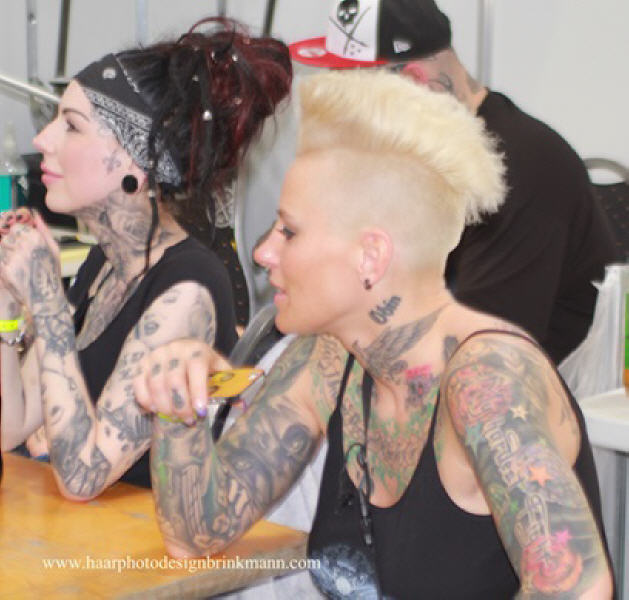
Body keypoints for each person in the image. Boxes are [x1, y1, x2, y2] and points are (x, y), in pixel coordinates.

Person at [134, 69, 614, 599]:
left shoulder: (486, 381)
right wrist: (177, 406)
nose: (263, 252)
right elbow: (197, 532)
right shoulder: (326, 361)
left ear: (371, 256)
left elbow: (577, 589)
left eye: (289, 230)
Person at [0, 17, 292, 498]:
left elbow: (83, 477)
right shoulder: (104, 263)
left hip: (142, 540)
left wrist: (48, 302)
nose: (42, 140)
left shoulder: (188, 289)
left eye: (71, 126)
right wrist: (9, 306)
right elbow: (11, 428)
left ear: (137, 159)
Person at [289, 0, 618, 365]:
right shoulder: (414, 157)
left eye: (356, 96)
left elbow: (480, 350)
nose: (348, 117)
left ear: (413, 83)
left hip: (522, 385)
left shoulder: (517, 170)